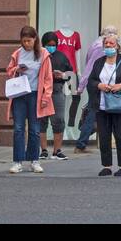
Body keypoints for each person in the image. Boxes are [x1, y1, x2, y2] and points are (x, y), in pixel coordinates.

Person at [6, 25, 55, 174]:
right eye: (24, 41)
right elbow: (9, 71)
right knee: (19, 128)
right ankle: (17, 161)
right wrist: (16, 70)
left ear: (35, 39)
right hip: (20, 94)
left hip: (36, 94)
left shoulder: (43, 54)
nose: (26, 43)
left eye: (29, 41)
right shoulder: (17, 53)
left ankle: (34, 160)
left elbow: (48, 77)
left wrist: (46, 96)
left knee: (34, 129)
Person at [87, 32, 121, 176]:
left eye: (111, 43)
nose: (108, 46)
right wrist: (99, 85)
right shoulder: (98, 62)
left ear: (118, 46)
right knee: (104, 136)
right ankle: (107, 165)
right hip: (102, 105)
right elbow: (91, 81)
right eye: (106, 43)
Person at [72, 24, 119, 154]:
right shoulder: (100, 47)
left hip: (95, 83)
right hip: (97, 84)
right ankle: (81, 144)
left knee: (100, 112)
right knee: (96, 112)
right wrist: (81, 86)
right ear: (110, 34)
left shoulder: (95, 44)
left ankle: (116, 141)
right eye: (115, 34)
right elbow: (90, 67)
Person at [38, 31, 72, 161]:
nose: (51, 47)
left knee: (58, 120)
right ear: (43, 44)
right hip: (42, 91)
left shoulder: (62, 57)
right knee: (42, 121)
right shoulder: (39, 56)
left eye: (53, 45)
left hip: (57, 89)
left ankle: (57, 150)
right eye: (48, 45)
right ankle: (44, 150)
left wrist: (62, 75)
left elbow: (70, 74)